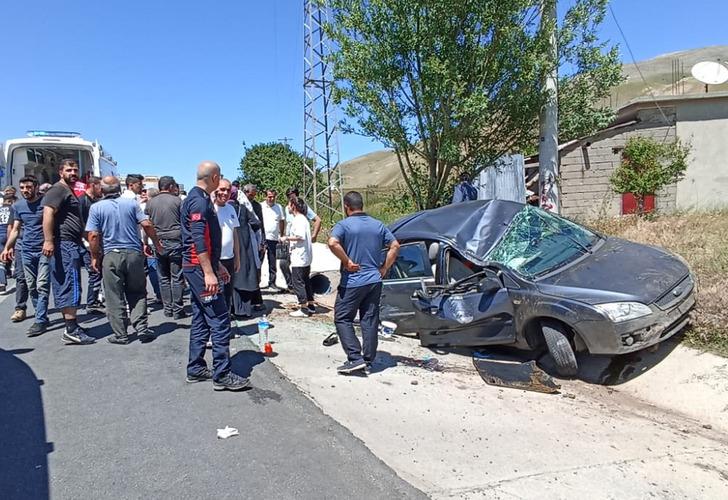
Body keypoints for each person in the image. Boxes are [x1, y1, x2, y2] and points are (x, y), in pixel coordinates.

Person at [182, 161, 249, 391]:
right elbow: (198, 239)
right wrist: (209, 272)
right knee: (220, 319)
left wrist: (217, 263)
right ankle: (222, 374)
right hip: (199, 270)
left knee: (201, 318)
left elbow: (208, 240)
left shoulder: (198, 198)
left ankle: (196, 367)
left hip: (202, 267)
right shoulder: (199, 201)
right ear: (214, 177)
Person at [327, 191, 400, 374]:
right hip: (374, 280)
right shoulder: (378, 225)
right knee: (369, 319)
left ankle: (355, 357)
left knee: (342, 318)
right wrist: (384, 268)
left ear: (346, 206)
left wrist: (347, 261)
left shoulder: (344, 225)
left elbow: (333, 242)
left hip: (353, 281)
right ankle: (368, 360)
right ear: (362, 206)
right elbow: (395, 246)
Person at [86, 176, 161, 344]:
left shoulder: (96, 208)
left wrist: (94, 256)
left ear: (102, 190)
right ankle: (141, 328)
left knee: (114, 295)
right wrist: (155, 242)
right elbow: (147, 224)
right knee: (137, 291)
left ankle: (121, 334)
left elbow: (93, 235)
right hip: (133, 253)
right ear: (119, 189)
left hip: (111, 254)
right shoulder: (132, 204)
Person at [42, 159, 94, 345]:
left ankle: (72, 325)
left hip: (72, 243)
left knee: (74, 283)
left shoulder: (69, 191)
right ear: (60, 171)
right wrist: (48, 241)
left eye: (75, 170)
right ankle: (71, 330)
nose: (73, 172)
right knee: (68, 284)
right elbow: (48, 213)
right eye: (69, 170)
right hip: (63, 244)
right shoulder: (57, 190)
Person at [1, 175, 50, 336]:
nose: (25, 191)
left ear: (36, 187)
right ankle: (40, 314)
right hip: (26, 250)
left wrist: (50, 241)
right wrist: (8, 247)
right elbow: (15, 229)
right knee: (32, 286)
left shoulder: (46, 203)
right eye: (22, 188)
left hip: (43, 250)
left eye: (28, 187)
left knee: (42, 284)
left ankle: (40, 320)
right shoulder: (18, 206)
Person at [145, 176, 186, 318]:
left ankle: (167, 308)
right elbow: (185, 222)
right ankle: (178, 309)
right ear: (170, 186)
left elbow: (147, 224)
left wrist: (147, 242)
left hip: (158, 241)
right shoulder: (177, 201)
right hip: (175, 241)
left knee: (163, 277)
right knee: (177, 276)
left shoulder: (150, 203)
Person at [280, 187, 322, 291]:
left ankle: (303, 292)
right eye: (289, 196)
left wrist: (314, 235)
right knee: (283, 264)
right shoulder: (287, 208)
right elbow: (287, 224)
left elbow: (317, 220)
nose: (291, 197)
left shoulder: (303, 208)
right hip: (289, 241)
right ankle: (292, 286)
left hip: (299, 243)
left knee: (301, 268)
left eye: (293, 195)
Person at [230, 191, 263, 319]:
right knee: (245, 273)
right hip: (244, 243)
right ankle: (245, 310)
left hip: (230, 246)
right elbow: (256, 223)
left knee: (233, 276)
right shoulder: (243, 209)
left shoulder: (223, 208)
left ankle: (233, 309)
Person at [281, 198, 314, 317]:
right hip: (305, 256)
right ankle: (311, 304)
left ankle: (303, 308)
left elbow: (300, 236)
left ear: (293, 206)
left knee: (298, 282)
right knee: (306, 281)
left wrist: (286, 238)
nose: (288, 207)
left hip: (299, 257)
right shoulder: (303, 219)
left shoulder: (298, 220)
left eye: (289, 205)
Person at [213, 179, 240, 312]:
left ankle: (227, 324)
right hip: (216, 260)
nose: (225, 193)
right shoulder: (210, 209)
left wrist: (237, 258)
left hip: (229, 258)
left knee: (228, 294)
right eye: (222, 189)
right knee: (217, 295)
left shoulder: (231, 209)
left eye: (228, 190)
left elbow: (235, 234)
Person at [78, 176, 104, 312]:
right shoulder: (82, 201)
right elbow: (81, 224)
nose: (102, 189)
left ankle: (94, 300)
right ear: (93, 185)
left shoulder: (97, 201)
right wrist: (89, 241)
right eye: (100, 186)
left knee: (98, 271)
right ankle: (91, 302)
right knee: (94, 271)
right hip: (88, 242)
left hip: (97, 241)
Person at [241, 184, 265, 310]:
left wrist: (262, 241)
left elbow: (260, 224)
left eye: (254, 195)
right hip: (244, 242)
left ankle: (256, 300)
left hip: (255, 241)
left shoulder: (256, 206)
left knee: (256, 270)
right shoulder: (241, 205)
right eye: (251, 194)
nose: (253, 197)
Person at [7, 202, 29, 323]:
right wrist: (10, 246)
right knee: (21, 278)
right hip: (21, 246)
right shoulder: (17, 206)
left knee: (40, 281)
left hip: (38, 247)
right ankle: (20, 308)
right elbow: (12, 227)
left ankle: (41, 309)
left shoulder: (42, 206)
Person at [140, 187, 162, 303]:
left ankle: (159, 293)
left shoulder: (146, 207)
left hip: (151, 241)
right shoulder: (162, 206)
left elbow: (145, 227)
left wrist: (144, 242)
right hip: (163, 240)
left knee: (153, 268)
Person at [261, 189, 285, 290]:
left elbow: (282, 221)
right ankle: (256, 283)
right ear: (265, 197)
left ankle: (272, 282)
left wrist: (282, 234)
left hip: (274, 238)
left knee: (272, 262)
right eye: (269, 196)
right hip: (262, 238)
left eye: (273, 197)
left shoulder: (278, 207)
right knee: (259, 261)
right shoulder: (261, 206)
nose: (271, 198)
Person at [0, 188, 16, 293]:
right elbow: (12, 226)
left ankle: (1, 282)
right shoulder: (13, 209)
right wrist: (11, 242)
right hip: (7, 234)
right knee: (7, 255)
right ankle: (5, 277)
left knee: (1, 260)